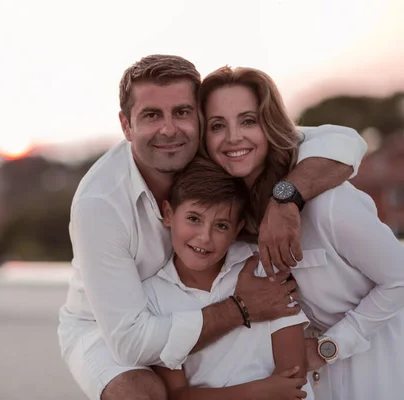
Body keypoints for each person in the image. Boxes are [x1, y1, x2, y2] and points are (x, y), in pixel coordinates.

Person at [58, 54, 367, 400]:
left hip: (200, 298)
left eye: (182, 112)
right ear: (126, 126)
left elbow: (345, 142)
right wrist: (241, 308)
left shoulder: (215, 150)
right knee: (140, 394)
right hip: (109, 327)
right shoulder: (100, 204)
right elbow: (131, 343)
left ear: (201, 118)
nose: (169, 129)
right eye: (151, 115)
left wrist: (286, 199)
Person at [199, 65, 404, 400]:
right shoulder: (228, 223)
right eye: (217, 125)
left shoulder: (328, 204)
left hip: (379, 373)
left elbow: (400, 277)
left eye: (248, 120)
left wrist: (329, 347)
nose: (233, 136)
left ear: (269, 125)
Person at [144, 157, 313, 400]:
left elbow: (292, 377)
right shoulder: (152, 296)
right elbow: (176, 396)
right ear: (168, 214)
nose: (204, 237)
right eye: (194, 219)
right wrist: (261, 391)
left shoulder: (262, 268)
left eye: (221, 225)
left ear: (237, 229)